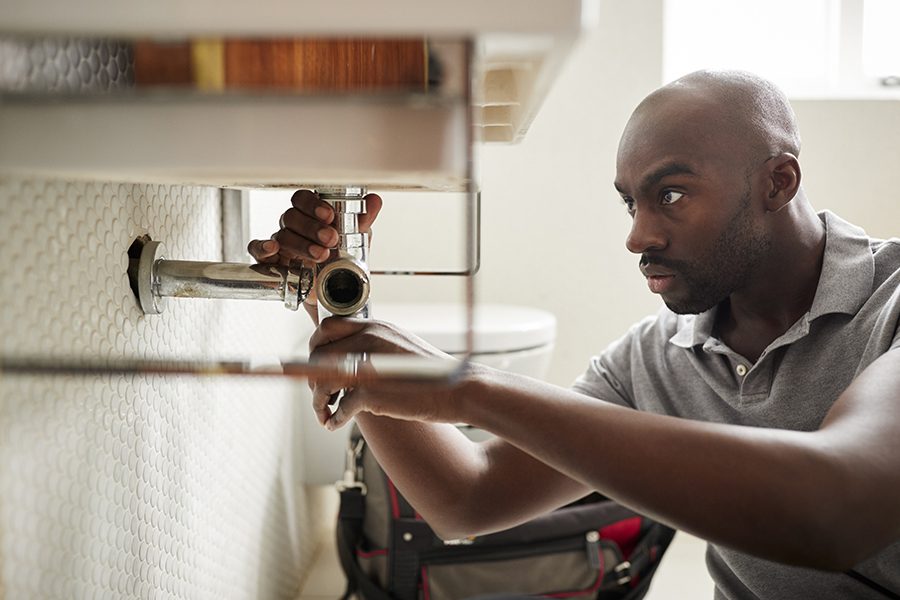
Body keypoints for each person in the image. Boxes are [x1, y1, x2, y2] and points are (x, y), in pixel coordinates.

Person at [249, 71, 900, 599]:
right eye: (631, 203)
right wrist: (337, 302)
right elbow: (467, 498)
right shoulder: (660, 356)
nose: (637, 236)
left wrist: (465, 390)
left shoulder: (892, 304)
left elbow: (835, 511)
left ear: (777, 182)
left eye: (669, 195)